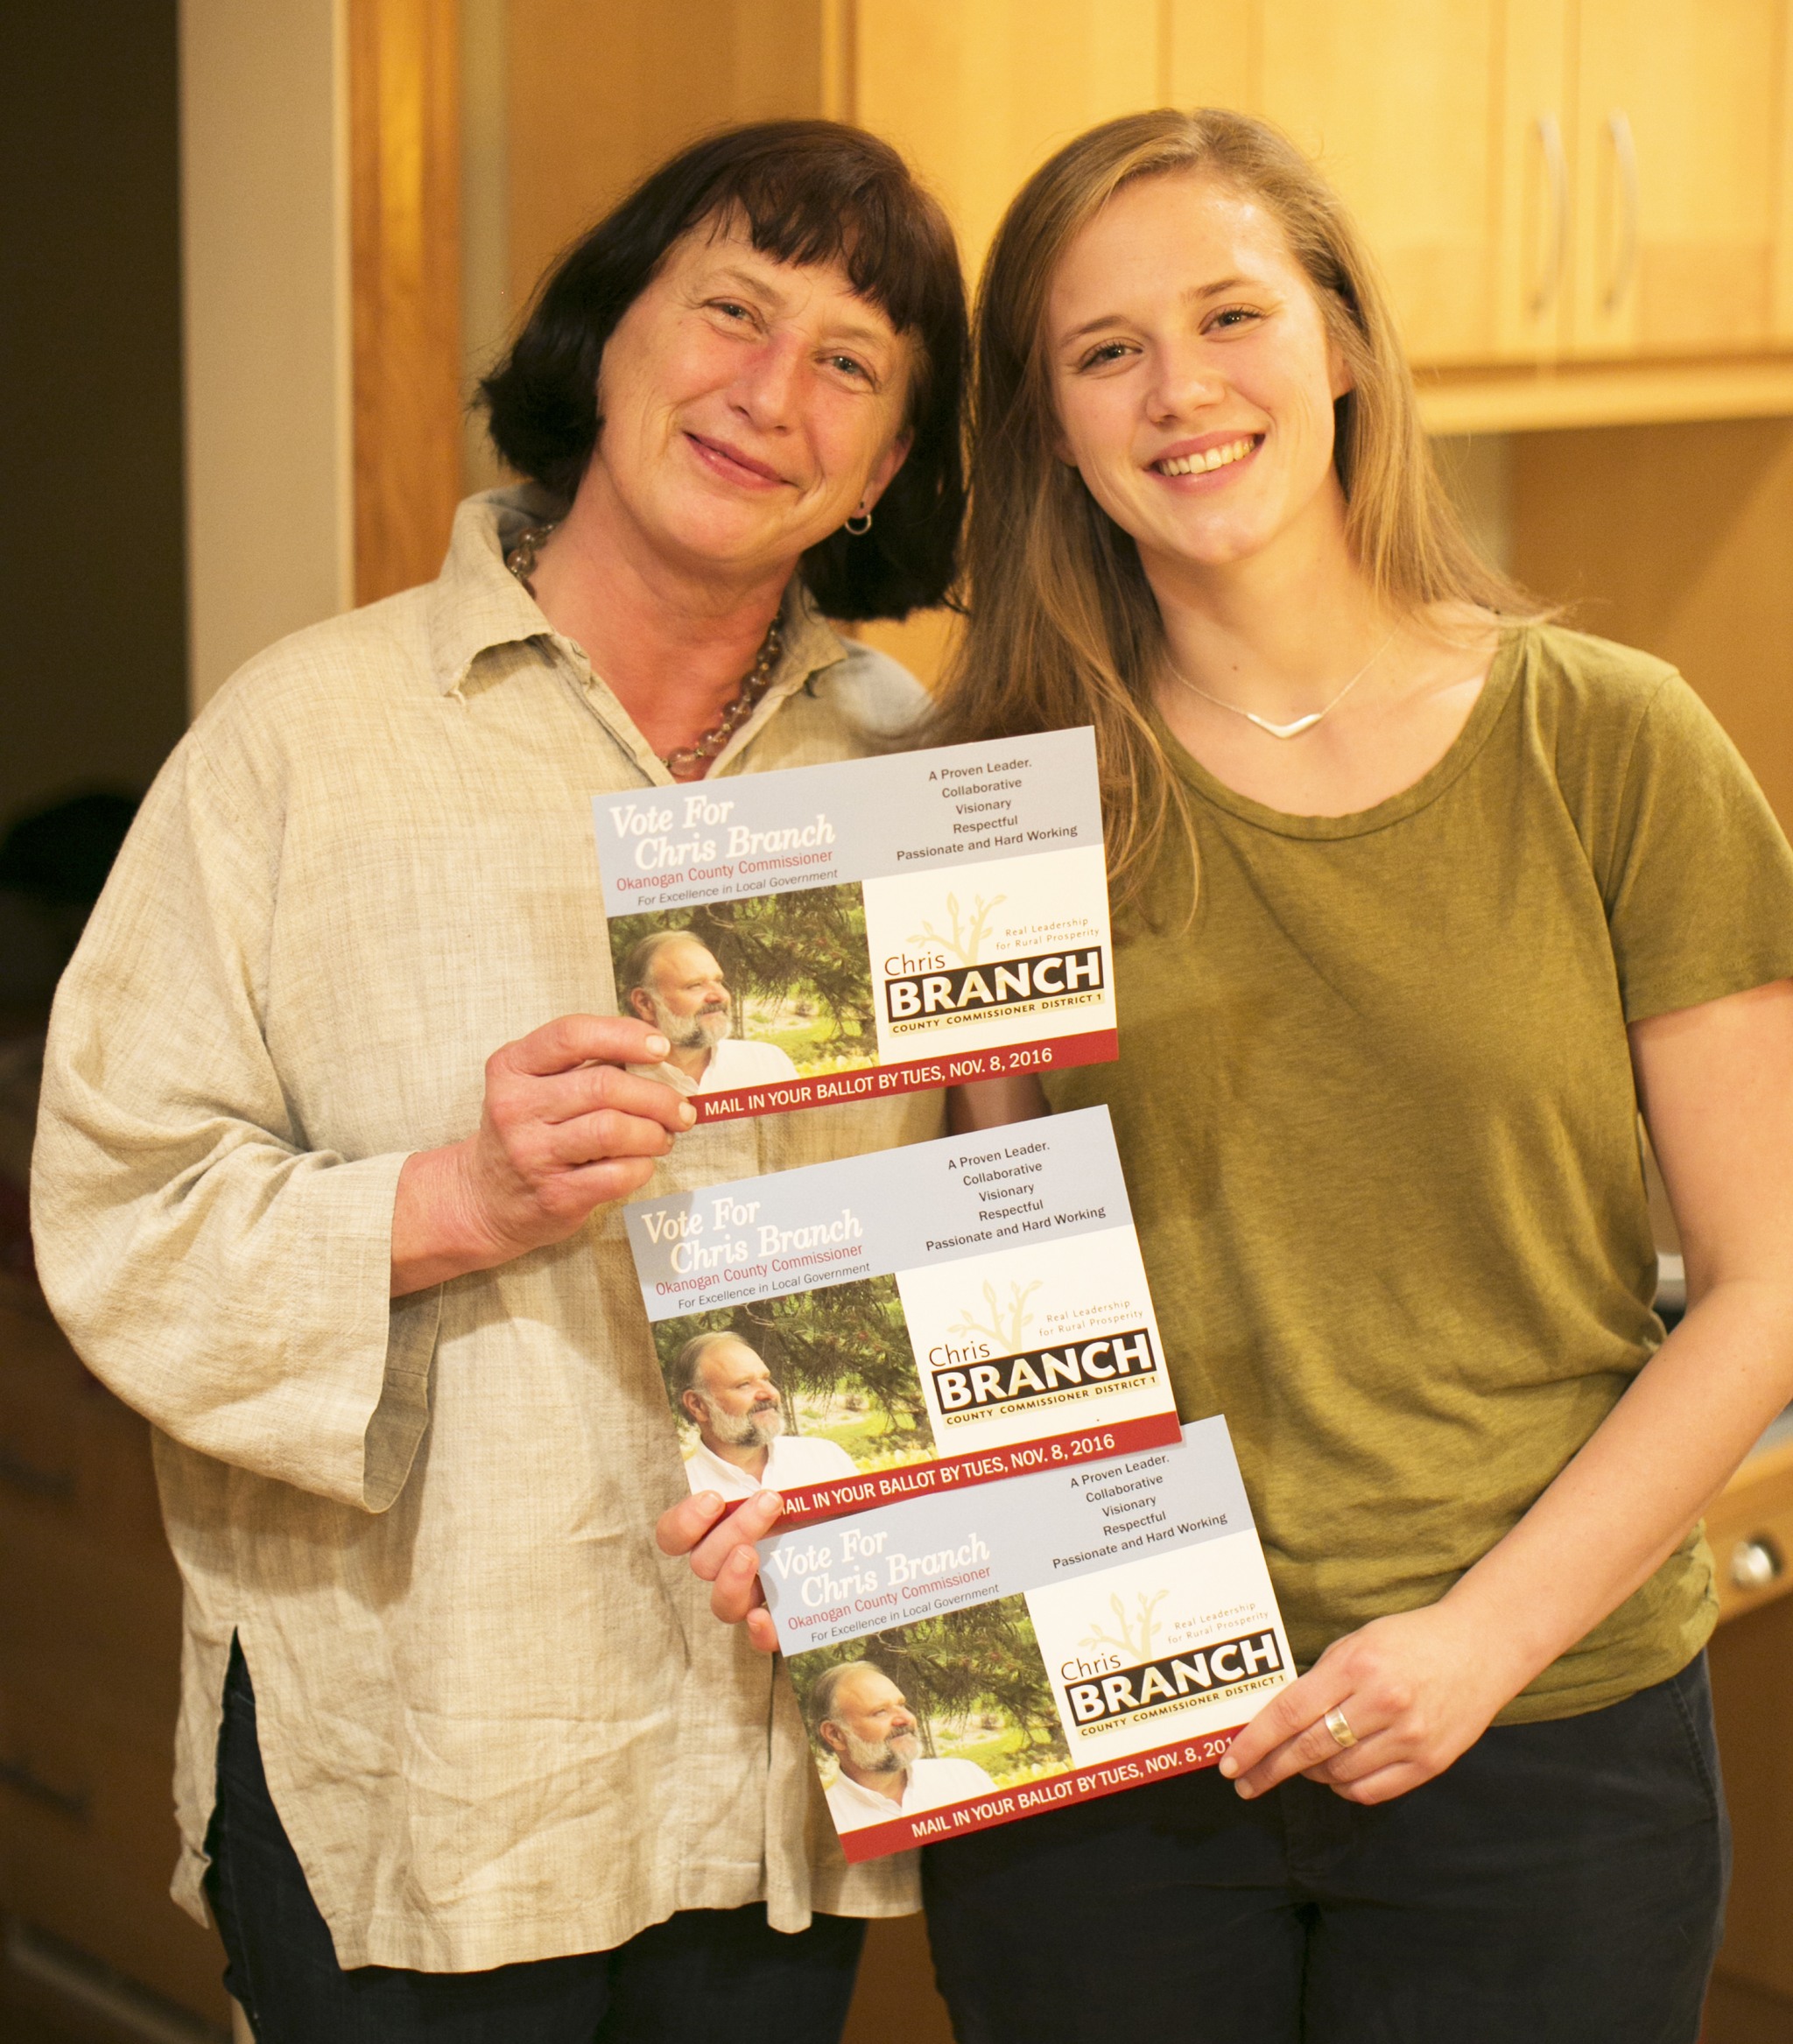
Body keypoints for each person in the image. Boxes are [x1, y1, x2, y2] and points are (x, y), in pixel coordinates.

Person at [663, 109, 1793, 2042]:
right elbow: (951, 1292)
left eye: (1230, 316)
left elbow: (1768, 1288)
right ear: (1053, 423)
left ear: (1341, 342)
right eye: (1105, 352)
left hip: (1538, 1739)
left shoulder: (1611, 741)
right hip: (1098, 1725)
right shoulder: (987, 797)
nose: (1180, 391)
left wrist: (1471, 1645)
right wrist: (814, 1493)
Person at [32, 120, 967, 2043]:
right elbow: (110, 1208)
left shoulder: (921, 785)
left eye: (848, 365)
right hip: (428, 1774)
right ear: (609, 337)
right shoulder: (307, 737)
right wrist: (450, 1199)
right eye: (728, 311)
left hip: (778, 1758)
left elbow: (1004, 1227)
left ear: (885, 466)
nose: (767, 394)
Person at [811, 1663, 996, 1834]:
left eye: (901, 1705)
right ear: (835, 1735)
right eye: (880, 1712)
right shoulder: (824, 1828)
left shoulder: (964, 1778)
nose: (906, 1718)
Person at [672, 1329, 857, 1496]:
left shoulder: (825, 1458)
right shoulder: (680, 1495)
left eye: (766, 1379)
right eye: (744, 1384)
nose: (770, 1393)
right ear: (698, 1405)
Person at [621, 927, 800, 1093]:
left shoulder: (768, 1064)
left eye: (718, 981)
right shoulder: (619, 1083)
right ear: (645, 1004)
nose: (720, 996)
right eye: (695, 985)